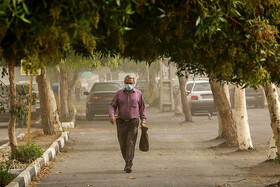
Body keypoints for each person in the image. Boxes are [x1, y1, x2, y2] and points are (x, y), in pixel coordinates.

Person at [109, 75, 146, 173]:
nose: (129, 84)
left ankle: (128, 164)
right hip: (121, 122)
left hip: (133, 122)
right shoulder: (119, 94)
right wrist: (112, 115)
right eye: (127, 83)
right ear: (124, 83)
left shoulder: (138, 94)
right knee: (123, 144)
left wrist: (143, 121)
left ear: (134, 83)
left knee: (130, 142)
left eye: (131, 83)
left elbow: (142, 108)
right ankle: (127, 160)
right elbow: (112, 106)